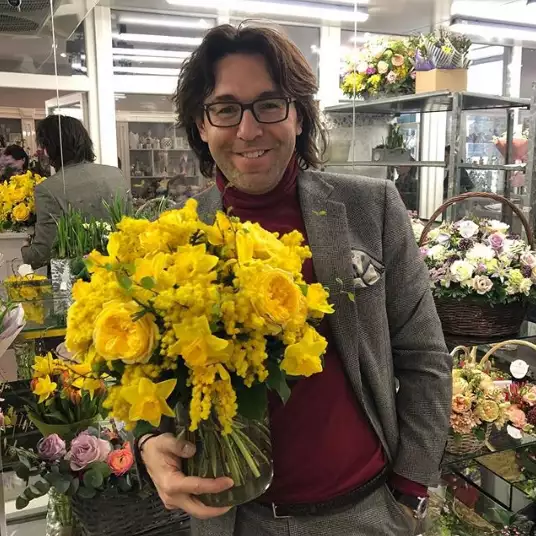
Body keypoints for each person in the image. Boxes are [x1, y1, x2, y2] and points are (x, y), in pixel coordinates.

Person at [138, 24, 452, 536]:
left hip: (365, 513)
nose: (248, 130)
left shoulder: (370, 208)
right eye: (225, 109)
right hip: (234, 520)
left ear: (299, 115)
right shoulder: (173, 235)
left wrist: (411, 489)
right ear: (201, 124)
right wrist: (148, 441)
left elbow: (424, 355)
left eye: (269, 105)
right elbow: (145, 372)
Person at [21, 115, 130, 269]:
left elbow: (43, 253)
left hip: (79, 276)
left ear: (50, 149)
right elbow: (130, 228)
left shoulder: (48, 189)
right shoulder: (115, 174)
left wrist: (25, 249)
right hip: (121, 270)